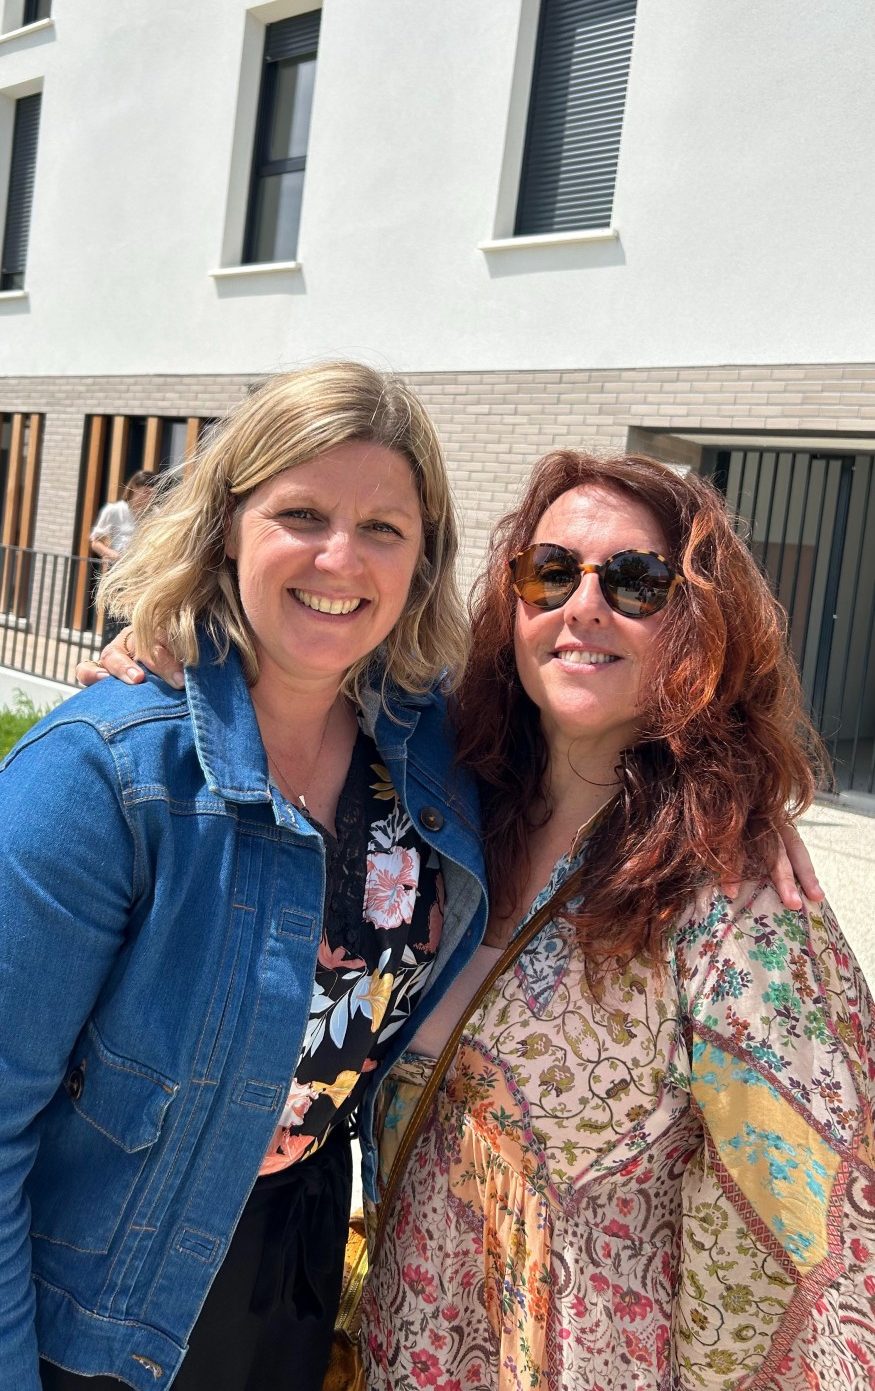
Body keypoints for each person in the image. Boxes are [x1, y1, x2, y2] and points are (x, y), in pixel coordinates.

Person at [0, 363, 488, 1391]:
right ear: (227, 525)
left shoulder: (426, 747)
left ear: (422, 558)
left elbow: (606, 735)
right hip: (94, 1304)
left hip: (290, 1267)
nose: (339, 557)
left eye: (382, 528)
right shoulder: (102, 771)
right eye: (300, 514)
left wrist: (749, 819)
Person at [359, 451, 875, 1390]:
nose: (584, 607)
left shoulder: (738, 895)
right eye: (550, 572)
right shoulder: (442, 807)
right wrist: (159, 660)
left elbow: (824, 1242)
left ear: (700, 622)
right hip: (389, 1349)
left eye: (637, 581)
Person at [90, 470, 160, 642]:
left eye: (153, 493)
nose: (150, 497)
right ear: (134, 488)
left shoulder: (155, 513)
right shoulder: (115, 510)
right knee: (114, 619)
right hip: (118, 572)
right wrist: (112, 554)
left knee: (133, 620)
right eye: (146, 492)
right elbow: (95, 541)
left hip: (141, 573)